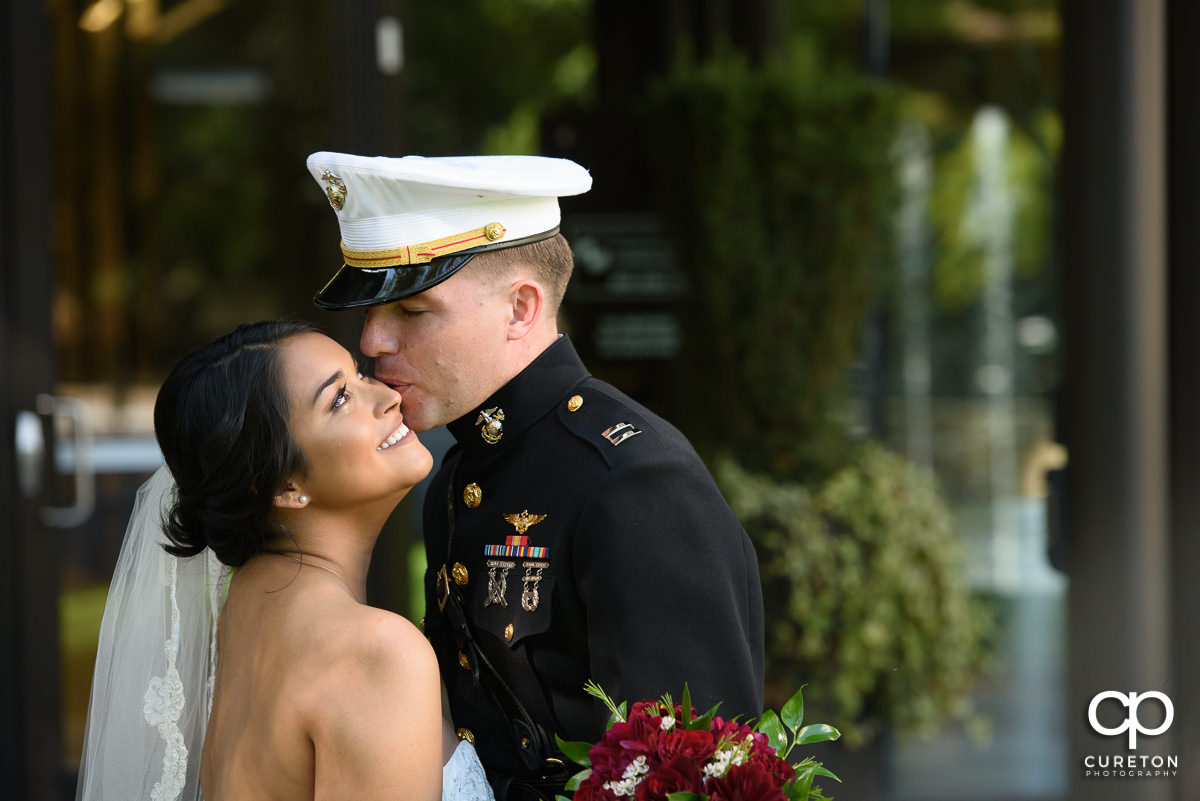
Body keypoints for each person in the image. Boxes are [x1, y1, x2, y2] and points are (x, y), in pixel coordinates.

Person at [305, 152, 766, 800]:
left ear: (520, 308)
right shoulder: (458, 474)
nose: (374, 338)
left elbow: (701, 779)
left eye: (411, 311)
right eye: (373, 311)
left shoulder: (634, 482)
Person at [75, 320, 495, 801]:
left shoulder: (247, 611)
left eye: (359, 375)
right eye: (339, 399)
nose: (387, 396)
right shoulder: (374, 654)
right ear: (284, 487)